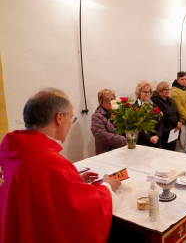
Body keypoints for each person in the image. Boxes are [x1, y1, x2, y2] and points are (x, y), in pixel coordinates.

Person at [0, 88, 121, 243]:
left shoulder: (10, 151)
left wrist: (72, 181)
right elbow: (82, 212)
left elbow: (35, 192)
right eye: (71, 117)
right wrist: (108, 187)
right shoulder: (47, 160)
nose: (70, 123)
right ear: (59, 118)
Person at [91, 88, 127, 155]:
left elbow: (129, 125)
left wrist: (131, 137)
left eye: (112, 99)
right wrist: (123, 140)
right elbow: (100, 135)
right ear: (101, 101)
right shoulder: (97, 116)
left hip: (123, 150)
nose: (110, 101)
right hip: (107, 152)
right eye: (106, 100)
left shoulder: (119, 112)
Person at [151, 82, 182, 151]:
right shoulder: (156, 100)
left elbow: (176, 111)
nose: (167, 91)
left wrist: (179, 121)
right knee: (166, 151)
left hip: (173, 129)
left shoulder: (169, 99)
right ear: (160, 90)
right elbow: (163, 116)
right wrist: (176, 124)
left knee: (172, 150)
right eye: (165, 89)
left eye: (168, 89)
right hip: (165, 130)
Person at [134, 81, 163, 148]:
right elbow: (136, 127)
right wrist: (149, 138)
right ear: (139, 93)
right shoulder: (135, 108)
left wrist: (157, 136)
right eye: (144, 92)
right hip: (143, 142)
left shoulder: (155, 106)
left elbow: (161, 122)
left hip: (157, 141)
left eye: (148, 92)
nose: (147, 94)